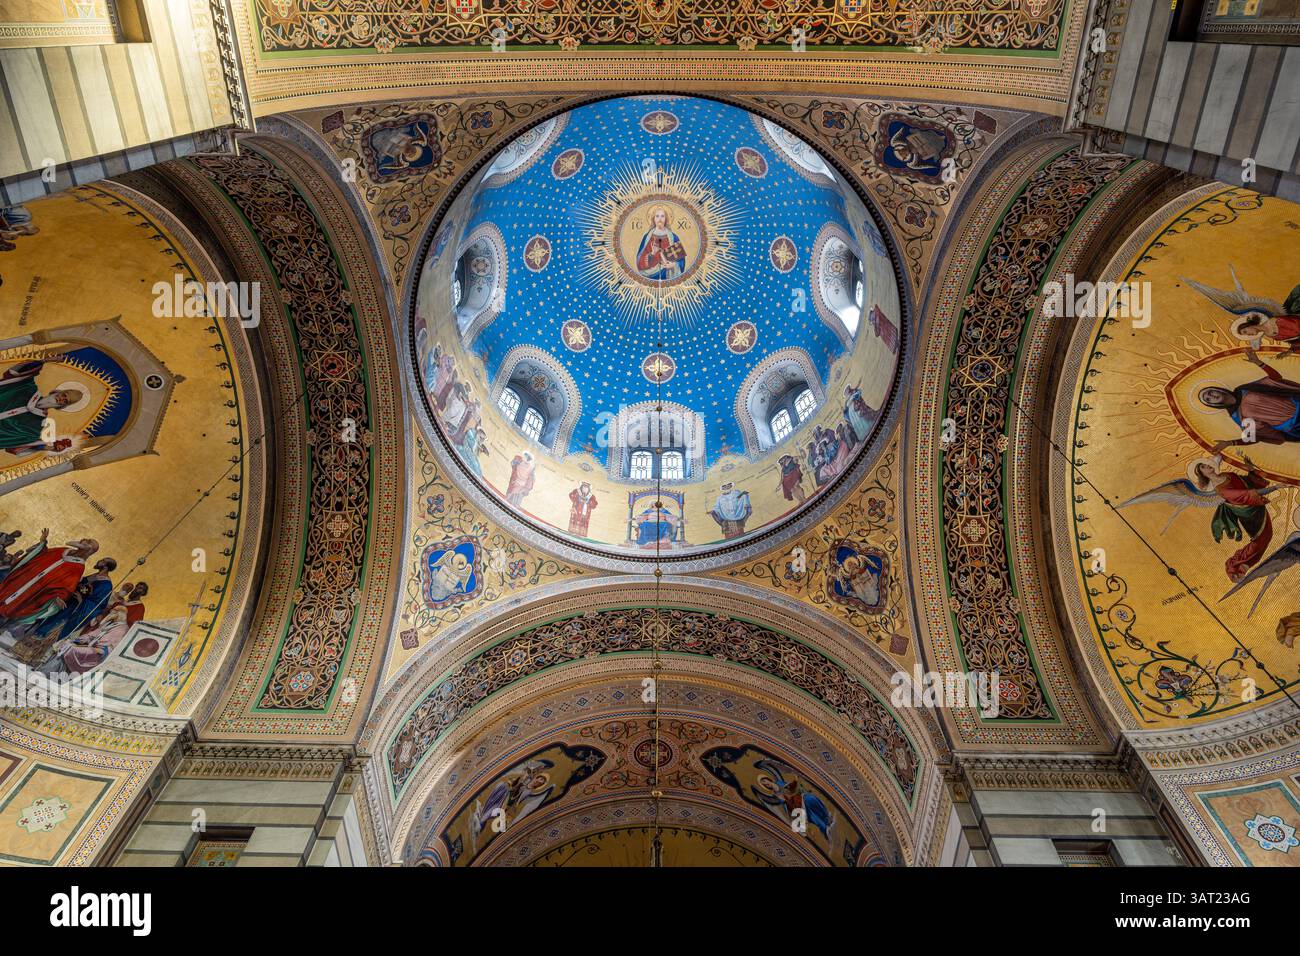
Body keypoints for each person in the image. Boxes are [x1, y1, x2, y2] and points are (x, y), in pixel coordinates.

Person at [0, 361, 82, 456]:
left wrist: (50, 447)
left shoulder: (35, 427)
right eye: (63, 395)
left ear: (62, 406)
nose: (60, 399)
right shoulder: (26, 387)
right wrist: (42, 361)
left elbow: (20, 445)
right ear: (56, 392)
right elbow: (17, 374)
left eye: (65, 401)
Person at [635, 206, 686, 281]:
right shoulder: (647, 237)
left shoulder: (673, 237)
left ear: (666, 219)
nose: (660, 219)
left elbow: (681, 260)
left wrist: (673, 265)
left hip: (668, 273)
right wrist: (652, 254)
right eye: (657, 216)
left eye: (662, 216)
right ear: (653, 219)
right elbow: (639, 261)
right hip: (651, 275)